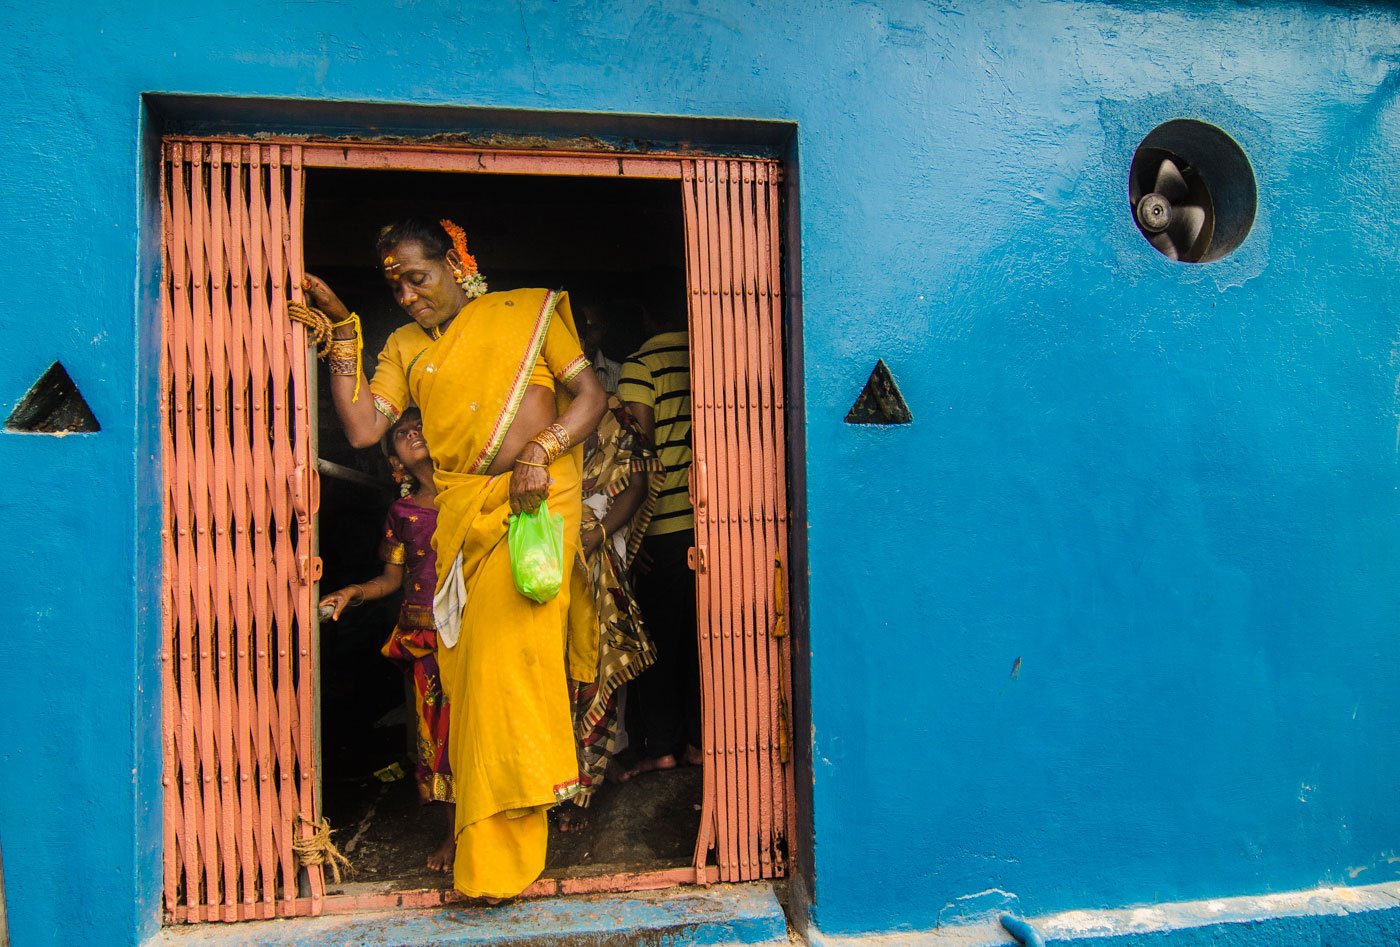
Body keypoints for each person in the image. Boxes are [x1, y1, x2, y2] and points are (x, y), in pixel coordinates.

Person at [298, 217, 607, 901]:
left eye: (419, 276)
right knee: (471, 692)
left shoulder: (532, 311)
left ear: (457, 262)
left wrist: (540, 449)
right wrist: (344, 330)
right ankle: (489, 851)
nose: (408, 295)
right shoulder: (405, 346)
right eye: (395, 285)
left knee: (507, 672)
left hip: (531, 510)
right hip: (461, 523)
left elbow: (590, 396)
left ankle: (510, 849)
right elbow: (361, 427)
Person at [318, 408, 455, 872]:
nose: (413, 434)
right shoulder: (403, 512)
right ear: (394, 459)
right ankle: (455, 834)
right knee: (436, 739)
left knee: (480, 729)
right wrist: (353, 592)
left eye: (420, 426)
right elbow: (392, 578)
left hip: (474, 633)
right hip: (422, 638)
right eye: (401, 433)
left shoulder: (475, 493)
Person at [556, 397, 663, 832]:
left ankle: (581, 791)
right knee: (547, 678)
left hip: (592, 566)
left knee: (590, 674)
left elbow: (637, 484)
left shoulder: (614, 419)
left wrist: (598, 532)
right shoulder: (529, 411)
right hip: (539, 555)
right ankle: (550, 787)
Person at [616, 300, 702, 778]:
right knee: (703, 637)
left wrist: (634, 530)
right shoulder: (708, 356)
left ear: (648, 316)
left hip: (663, 525)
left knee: (658, 643)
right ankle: (700, 741)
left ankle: (664, 746)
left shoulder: (641, 365)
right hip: (711, 523)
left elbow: (641, 449)